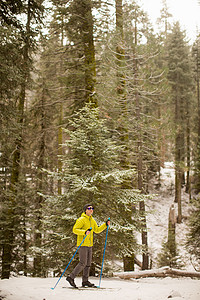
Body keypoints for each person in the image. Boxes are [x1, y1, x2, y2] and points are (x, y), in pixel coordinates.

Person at [66, 203, 110, 288]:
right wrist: (84, 232)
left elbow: (97, 230)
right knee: (83, 263)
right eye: (89, 208)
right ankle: (71, 277)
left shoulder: (92, 220)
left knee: (88, 264)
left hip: (90, 244)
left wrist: (105, 225)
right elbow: (75, 230)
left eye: (92, 208)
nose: (91, 210)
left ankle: (85, 281)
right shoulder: (81, 219)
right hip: (82, 244)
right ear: (85, 210)